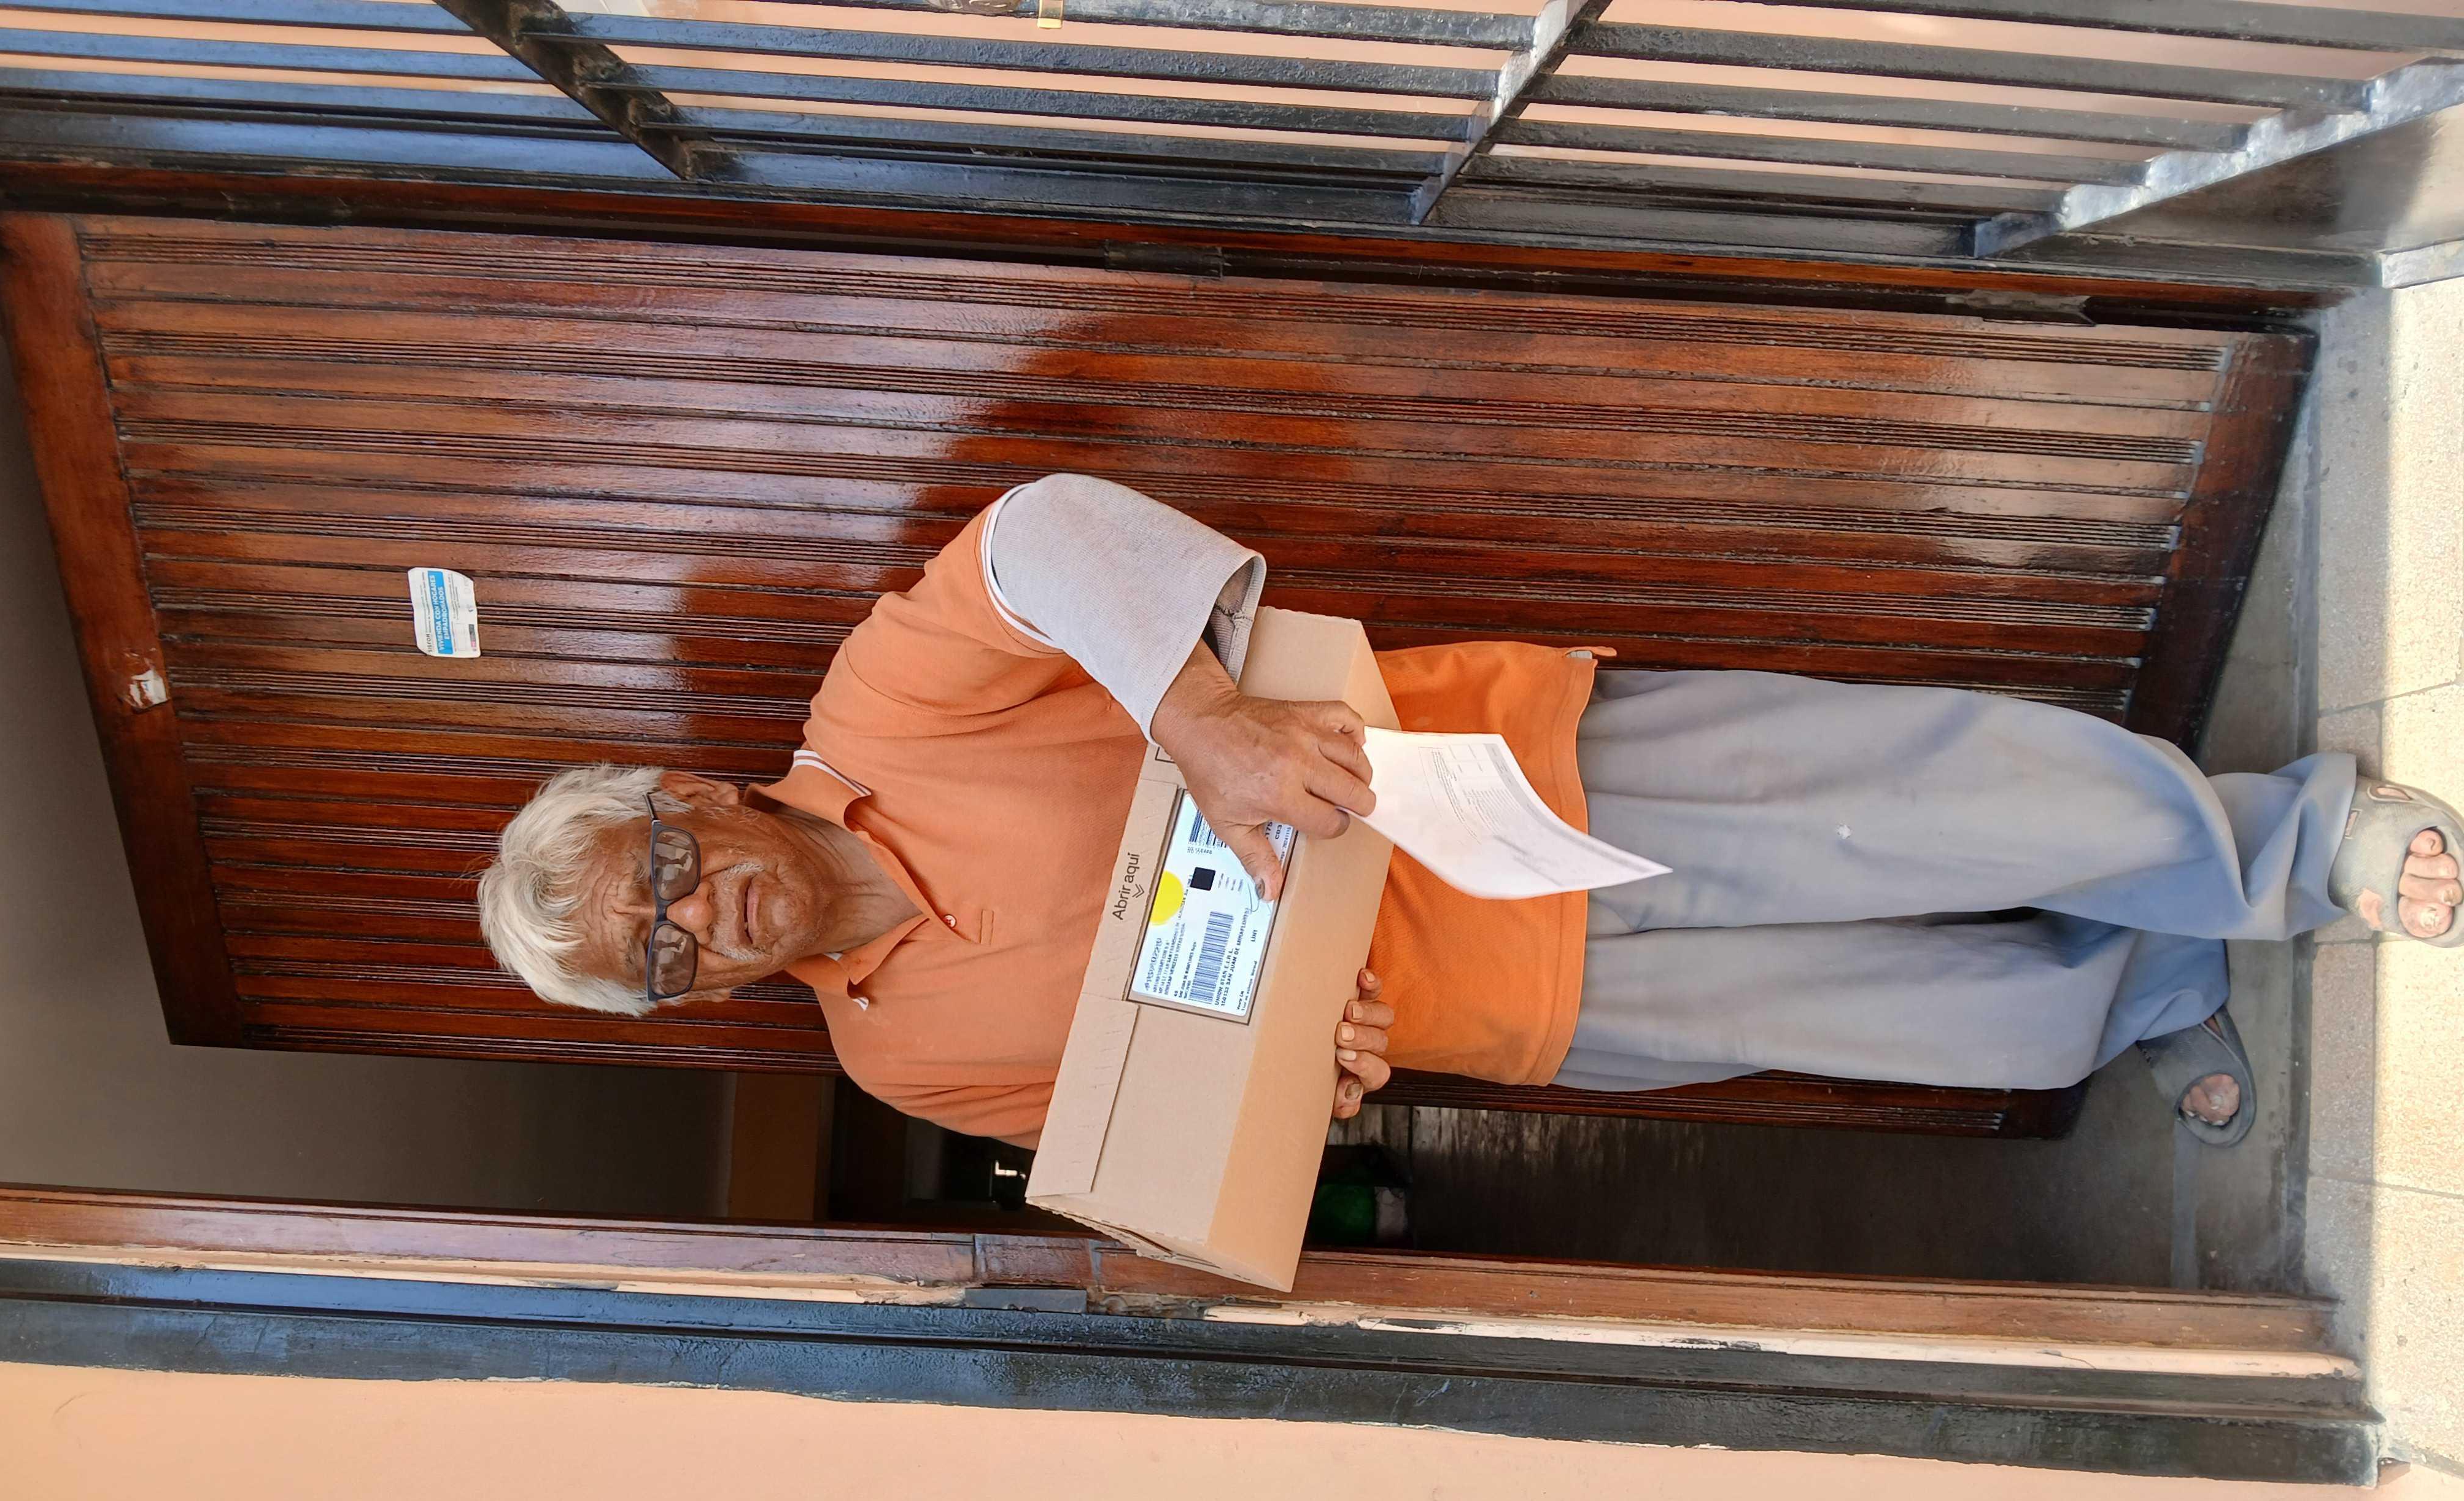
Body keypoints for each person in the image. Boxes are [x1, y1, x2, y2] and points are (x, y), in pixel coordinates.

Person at [479, 475, 2458, 1152]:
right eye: (655, 960)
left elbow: (1044, 533)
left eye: (664, 875)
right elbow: (1173, 1119)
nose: (695, 922)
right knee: (1964, 1023)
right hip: (1506, 1004)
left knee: (1918, 808)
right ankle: (2158, 978)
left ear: (686, 793)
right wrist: (1308, 1083)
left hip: (1485, 779)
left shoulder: (876, 706)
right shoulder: (891, 1060)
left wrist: (1206, 727)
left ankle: (2295, 844)